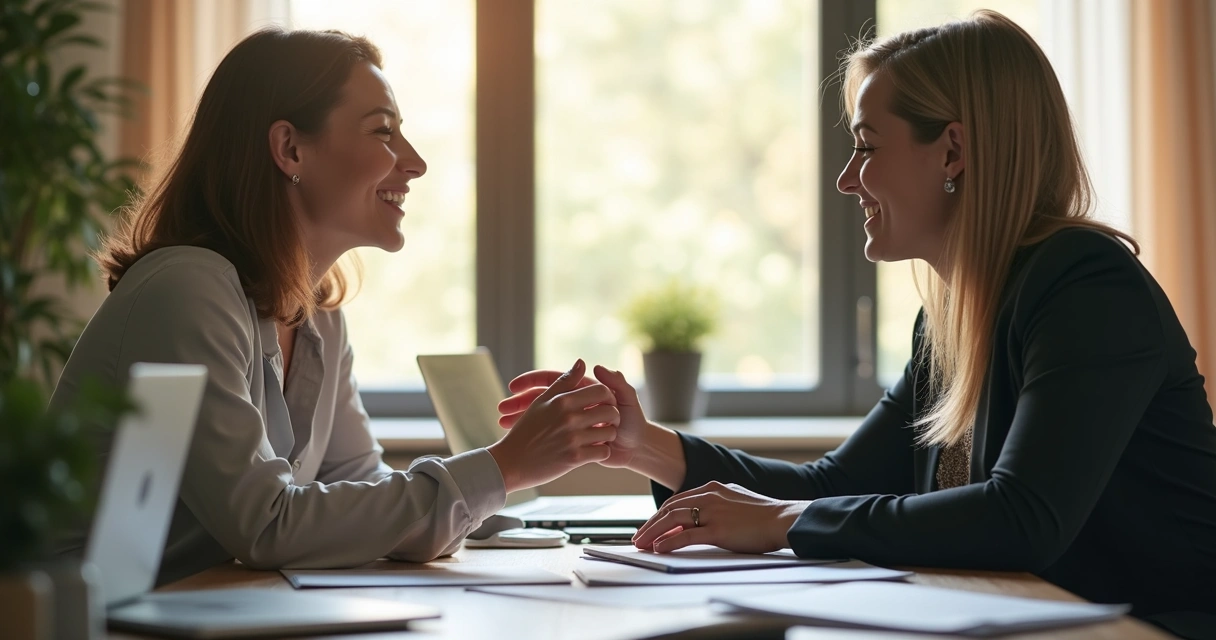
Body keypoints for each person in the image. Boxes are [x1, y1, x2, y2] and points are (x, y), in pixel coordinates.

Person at [499, 10, 1216, 625]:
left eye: (868, 146)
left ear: (954, 151)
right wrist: (646, 445)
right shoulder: (951, 319)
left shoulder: (1087, 286)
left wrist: (780, 525)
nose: (847, 178)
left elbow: (1021, 519)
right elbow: (830, 487)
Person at [51, 27, 620, 585]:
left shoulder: (318, 311)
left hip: (210, 610)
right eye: (384, 133)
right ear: (290, 148)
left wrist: (498, 497)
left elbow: (358, 485)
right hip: (90, 622)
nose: (415, 162)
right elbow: (266, 523)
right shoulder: (186, 289)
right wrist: (504, 466)